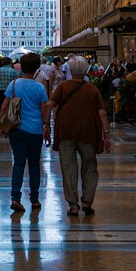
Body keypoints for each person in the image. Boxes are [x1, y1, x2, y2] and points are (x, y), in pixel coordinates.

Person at [46, 55, 110, 215]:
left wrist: (46, 125)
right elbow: (102, 112)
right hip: (88, 132)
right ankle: (87, 201)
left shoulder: (63, 87)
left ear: (70, 70)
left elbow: (49, 105)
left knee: (68, 167)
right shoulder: (92, 89)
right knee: (90, 165)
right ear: (86, 70)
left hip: (65, 131)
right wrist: (106, 134)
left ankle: (73, 205)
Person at [4, 51, 48, 214]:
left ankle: (15, 198)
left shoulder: (14, 84)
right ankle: (34, 199)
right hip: (35, 131)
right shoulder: (40, 87)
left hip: (16, 129)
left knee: (19, 163)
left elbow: (4, 106)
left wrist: (3, 126)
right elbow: (44, 110)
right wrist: (46, 127)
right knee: (35, 164)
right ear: (37, 68)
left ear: (21, 67)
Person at [0, 56, 16, 122]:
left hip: (0, 91)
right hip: (10, 93)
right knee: (9, 108)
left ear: (3, 63)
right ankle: (7, 122)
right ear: (10, 63)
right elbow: (16, 83)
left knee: (0, 107)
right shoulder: (13, 71)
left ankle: (0, 121)